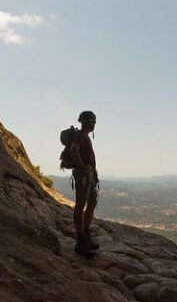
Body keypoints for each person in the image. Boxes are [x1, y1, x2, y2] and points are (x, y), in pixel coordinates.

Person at [70, 110, 99, 257]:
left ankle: (86, 236)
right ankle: (81, 241)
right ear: (87, 122)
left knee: (92, 202)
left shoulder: (84, 136)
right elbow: (74, 150)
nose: (94, 124)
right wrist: (82, 166)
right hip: (84, 175)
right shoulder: (80, 135)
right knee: (81, 204)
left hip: (89, 175)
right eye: (93, 122)